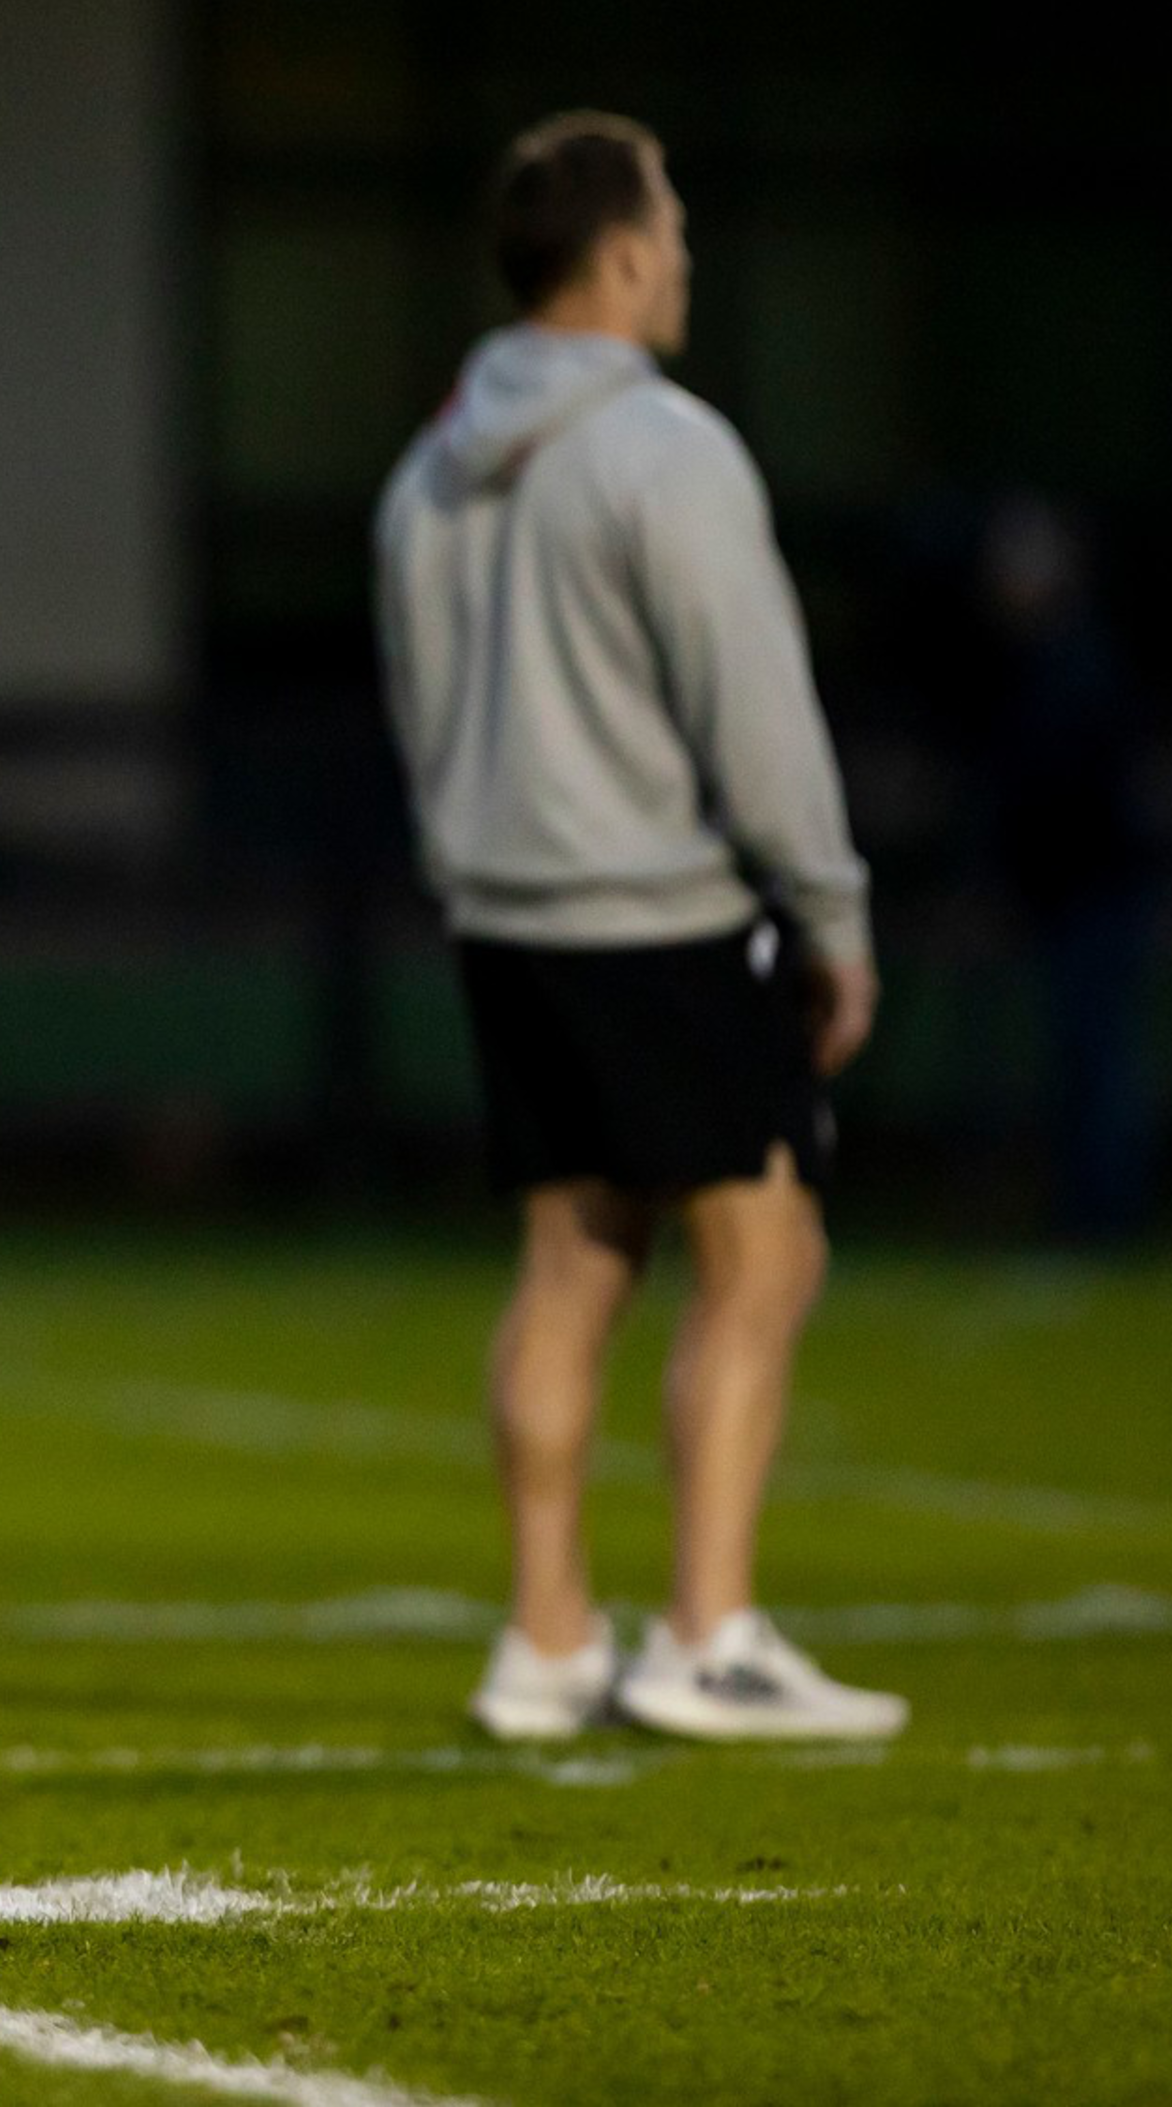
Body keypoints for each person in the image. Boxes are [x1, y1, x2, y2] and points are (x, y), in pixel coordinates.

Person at [372, 111, 904, 1745]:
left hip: (504, 920)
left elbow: (415, 707)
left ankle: (542, 1639)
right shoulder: (664, 448)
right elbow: (754, 711)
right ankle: (701, 1633)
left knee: (568, 1261)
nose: (680, 257)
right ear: (612, 255)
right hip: (660, 916)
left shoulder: (431, 463)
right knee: (762, 1252)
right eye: (665, 230)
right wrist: (826, 906)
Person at [974, 494, 1160, 1242]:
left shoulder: (1074, 662)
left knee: (1100, 1062)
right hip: (1067, 895)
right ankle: (1089, 1213)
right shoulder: (1026, 661)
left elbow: (1071, 794)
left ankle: (1104, 1217)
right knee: (1081, 1063)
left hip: (1095, 893)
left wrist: (1022, 876)